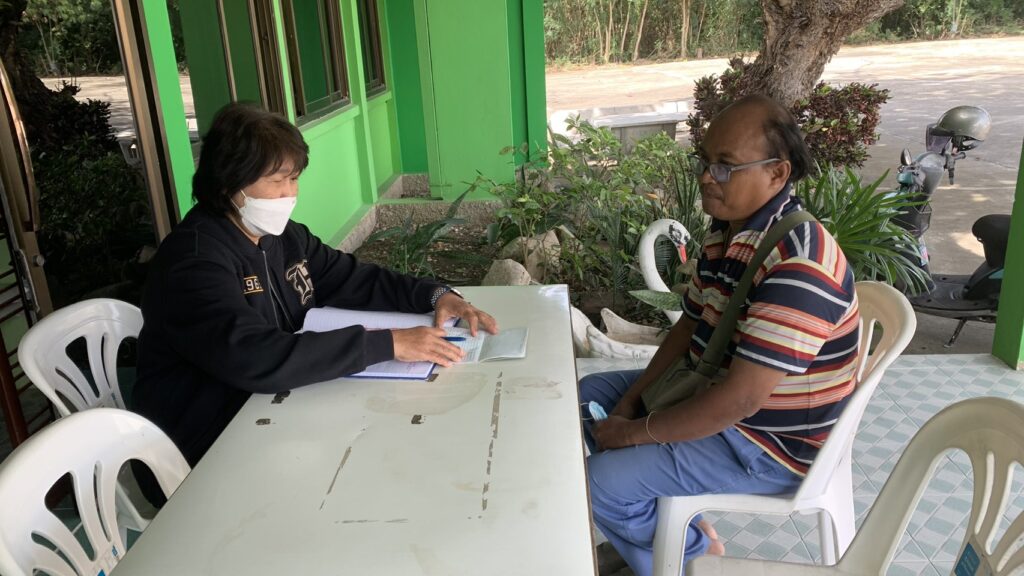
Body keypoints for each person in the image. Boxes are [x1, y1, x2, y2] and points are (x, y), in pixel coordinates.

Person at [132, 102, 497, 486]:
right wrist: (388, 344)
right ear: (229, 183)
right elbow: (253, 356)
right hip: (203, 447)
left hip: (275, 411)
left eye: (294, 179)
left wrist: (436, 295)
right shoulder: (193, 263)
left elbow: (354, 278)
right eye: (277, 181)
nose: (289, 194)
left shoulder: (283, 238)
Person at [580, 94, 861, 575]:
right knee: (588, 397)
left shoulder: (800, 262)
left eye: (726, 167)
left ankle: (689, 557)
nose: (707, 177)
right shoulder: (728, 231)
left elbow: (741, 401)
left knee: (599, 483)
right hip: (714, 391)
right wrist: (629, 402)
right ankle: (671, 533)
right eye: (705, 162)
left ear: (777, 173)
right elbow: (689, 325)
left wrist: (632, 432)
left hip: (771, 443)